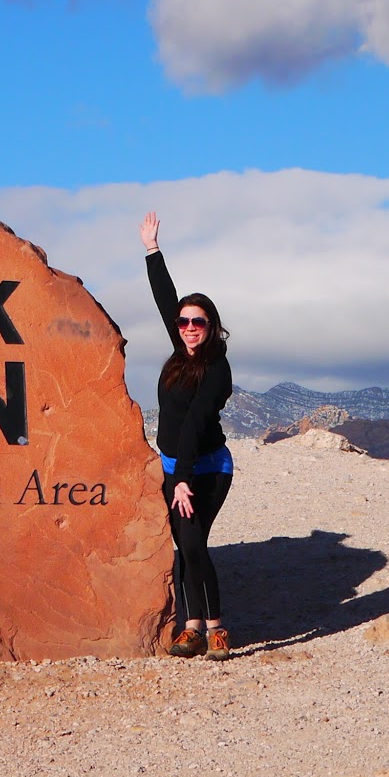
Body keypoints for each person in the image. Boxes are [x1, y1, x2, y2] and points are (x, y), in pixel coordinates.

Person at [139, 212, 234, 661]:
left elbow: (196, 421)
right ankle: (191, 625)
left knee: (193, 543)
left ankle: (215, 627)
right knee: (183, 546)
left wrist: (183, 480)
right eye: (184, 322)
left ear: (211, 325)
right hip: (174, 466)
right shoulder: (180, 353)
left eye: (198, 322)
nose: (190, 327)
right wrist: (152, 250)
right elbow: (165, 300)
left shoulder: (217, 368)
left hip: (207, 469)